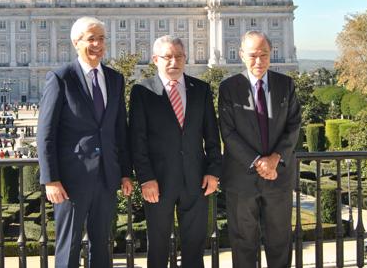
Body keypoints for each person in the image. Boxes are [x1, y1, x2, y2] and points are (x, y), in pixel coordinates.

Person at [37, 16, 133, 268]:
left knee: (101, 245)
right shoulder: (61, 78)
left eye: (101, 39)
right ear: (76, 42)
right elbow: (46, 132)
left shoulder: (115, 78)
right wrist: (50, 179)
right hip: (70, 180)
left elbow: (119, 129)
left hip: (106, 177)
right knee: (68, 245)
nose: (98, 44)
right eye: (91, 39)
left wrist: (125, 172)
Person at [129, 35, 222, 268]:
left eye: (179, 56)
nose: (174, 62)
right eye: (167, 57)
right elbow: (137, 140)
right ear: (155, 60)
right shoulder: (142, 90)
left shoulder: (201, 89)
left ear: (185, 58)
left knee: (194, 247)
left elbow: (212, 136)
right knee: (158, 248)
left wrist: (213, 171)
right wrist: (145, 178)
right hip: (157, 182)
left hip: (196, 180)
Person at [218, 31, 301, 268]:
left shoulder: (286, 85)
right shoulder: (228, 87)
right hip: (242, 180)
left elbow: (294, 125)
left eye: (264, 54)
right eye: (253, 55)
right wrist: (257, 162)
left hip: (279, 177)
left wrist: (275, 158)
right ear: (242, 55)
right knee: (243, 244)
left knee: (280, 243)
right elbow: (228, 133)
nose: (259, 61)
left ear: (271, 54)